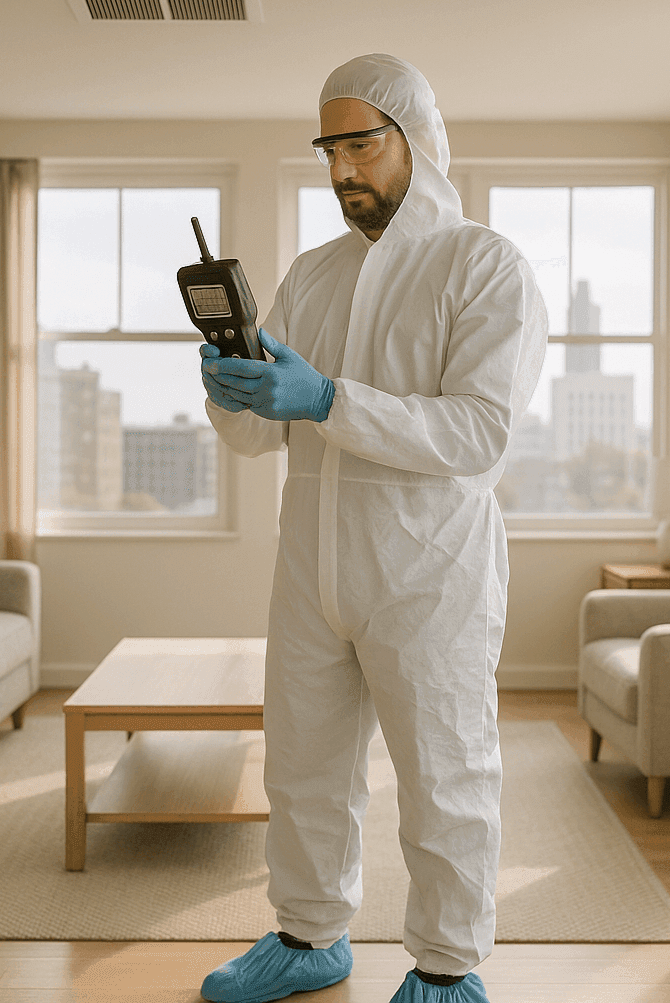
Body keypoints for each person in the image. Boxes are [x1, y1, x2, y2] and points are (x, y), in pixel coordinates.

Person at [196, 53, 547, 1003]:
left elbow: (480, 433)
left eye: (363, 143)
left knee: (445, 772)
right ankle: (310, 939)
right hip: (313, 561)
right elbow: (258, 436)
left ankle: (444, 968)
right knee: (305, 768)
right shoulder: (312, 275)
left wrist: (326, 397)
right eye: (329, 149)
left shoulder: (483, 265)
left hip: (430, 571)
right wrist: (233, 391)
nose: (344, 169)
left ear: (418, 140)